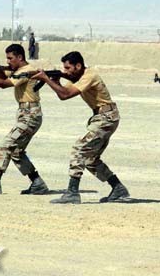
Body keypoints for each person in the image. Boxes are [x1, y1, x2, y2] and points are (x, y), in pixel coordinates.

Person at [31, 51, 130, 204]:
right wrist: (56, 81)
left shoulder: (89, 76)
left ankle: (72, 192)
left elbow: (65, 95)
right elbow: (62, 94)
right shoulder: (80, 77)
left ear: (78, 66)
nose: (66, 72)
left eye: (68, 68)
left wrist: (46, 79)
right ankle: (118, 188)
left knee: (79, 149)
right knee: (90, 158)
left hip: (106, 118)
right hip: (104, 117)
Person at [0, 43, 49, 195]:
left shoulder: (26, 71)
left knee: (6, 145)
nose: (8, 61)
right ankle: (37, 183)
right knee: (16, 151)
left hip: (30, 115)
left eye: (10, 58)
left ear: (20, 57)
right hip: (25, 113)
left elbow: (4, 84)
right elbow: (2, 77)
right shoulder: (18, 70)